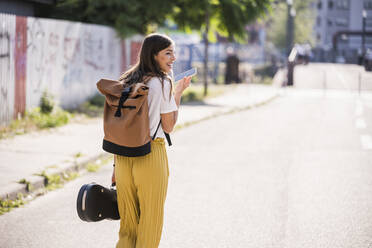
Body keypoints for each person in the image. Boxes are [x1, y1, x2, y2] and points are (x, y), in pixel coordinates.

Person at [111, 33, 192, 248]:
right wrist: (178, 93)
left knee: (128, 224)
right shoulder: (162, 82)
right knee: (150, 220)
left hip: (122, 158)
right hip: (150, 154)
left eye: (173, 52)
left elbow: (119, 125)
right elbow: (168, 126)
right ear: (154, 55)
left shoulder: (126, 80)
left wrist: (114, 167)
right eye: (168, 53)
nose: (173, 57)